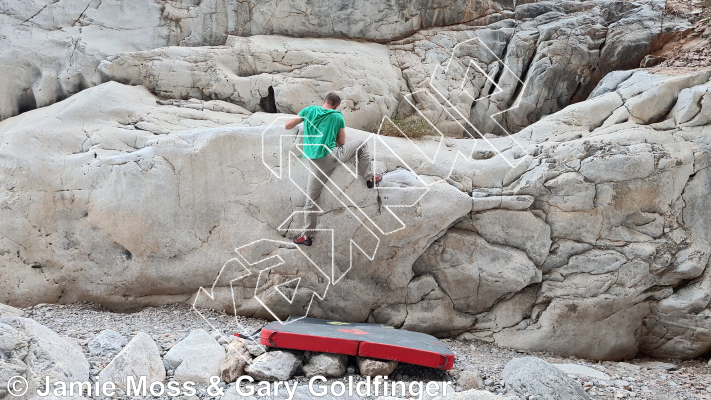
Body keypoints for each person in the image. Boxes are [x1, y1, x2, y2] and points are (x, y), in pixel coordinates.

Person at [284, 92, 381, 246]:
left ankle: (306, 236)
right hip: (331, 157)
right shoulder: (337, 116)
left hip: (314, 162)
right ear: (336, 106)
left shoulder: (309, 111)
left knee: (311, 199)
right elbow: (342, 142)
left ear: (324, 101)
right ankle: (370, 178)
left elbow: (288, 125)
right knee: (362, 143)